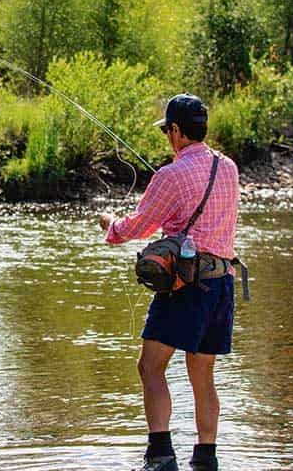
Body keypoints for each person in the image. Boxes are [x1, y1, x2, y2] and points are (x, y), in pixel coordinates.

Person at [97, 93, 240, 471]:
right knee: (202, 376)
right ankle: (206, 459)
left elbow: (139, 226)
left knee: (150, 367)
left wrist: (110, 226)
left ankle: (161, 457)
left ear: (176, 131)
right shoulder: (228, 167)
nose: (167, 137)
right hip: (222, 283)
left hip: (186, 286)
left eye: (167, 131)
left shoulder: (171, 175)